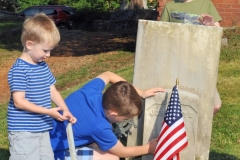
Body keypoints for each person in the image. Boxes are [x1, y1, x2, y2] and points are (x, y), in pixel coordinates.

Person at [50, 71, 165, 160]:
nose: (127, 120)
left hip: (49, 135)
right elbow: (122, 152)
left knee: (103, 145)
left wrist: (139, 92)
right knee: (112, 157)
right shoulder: (100, 126)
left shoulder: (91, 90)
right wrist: (148, 148)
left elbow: (108, 75)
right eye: (126, 118)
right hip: (53, 153)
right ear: (113, 114)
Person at [7, 13, 76, 160]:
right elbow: (19, 102)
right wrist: (48, 111)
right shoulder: (19, 69)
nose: (49, 55)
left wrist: (65, 109)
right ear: (29, 44)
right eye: (45, 50)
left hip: (43, 127)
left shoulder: (42, 66)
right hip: (24, 131)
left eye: (50, 50)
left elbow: (51, 89)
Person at [160, 0, 222, 115]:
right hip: (177, 61)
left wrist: (211, 25)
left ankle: (196, 128)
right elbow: (161, 32)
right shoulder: (170, 6)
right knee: (179, 101)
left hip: (200, 61)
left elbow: (218, 33)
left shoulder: (206, 4)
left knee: (215, 105)